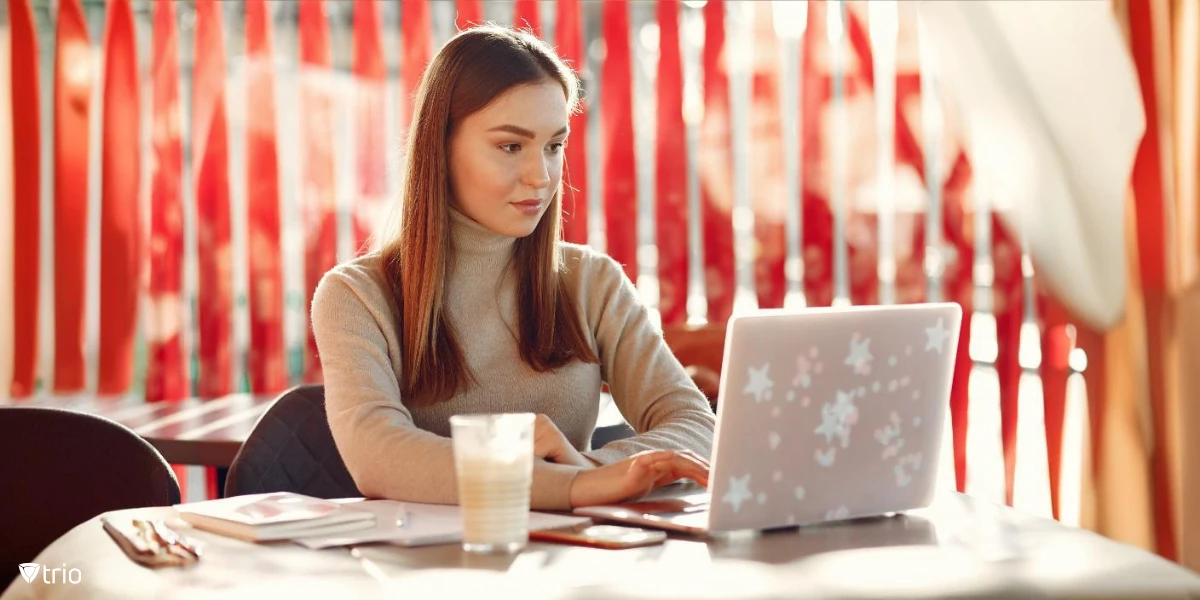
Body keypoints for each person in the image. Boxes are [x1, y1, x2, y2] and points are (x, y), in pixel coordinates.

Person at [311, 25, 714, 511]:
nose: (540, 176)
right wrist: (572, 488)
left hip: (569, 567)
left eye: (553, 146)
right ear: (439, 148)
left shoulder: (592, 283)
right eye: (510, 146)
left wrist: (591, 470)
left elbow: (695, 425)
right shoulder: (356, 296)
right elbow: (378, 455)